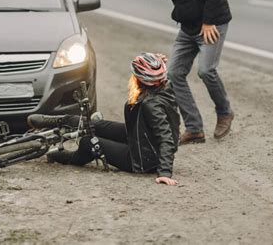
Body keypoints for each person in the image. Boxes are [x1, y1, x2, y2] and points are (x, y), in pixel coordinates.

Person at [134, 0, 234, 144]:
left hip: (211, 24)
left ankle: (224, 112)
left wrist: (208, 21)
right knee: (173, 74)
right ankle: (195, 128)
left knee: (206, 70)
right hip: (189, 29)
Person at [27, 53, 181, 185]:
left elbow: (166, 137)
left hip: (142, 158)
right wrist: (156, 62)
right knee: (96, 125)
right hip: (141, 137)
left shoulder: (151, 104)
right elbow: (156, 74)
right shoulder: (165, 86)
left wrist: (164, 173)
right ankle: (59, 120)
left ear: (141, 79)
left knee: (89, 142)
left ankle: (70, 157)